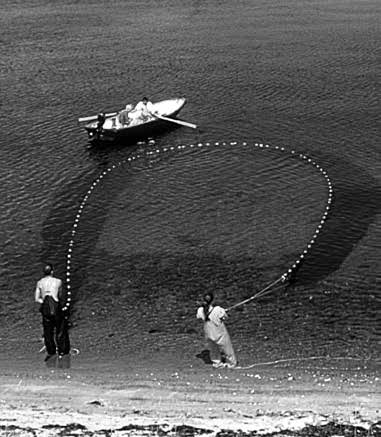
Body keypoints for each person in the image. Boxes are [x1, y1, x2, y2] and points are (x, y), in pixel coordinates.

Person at [35, 263, 70, 360]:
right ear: (52, 271)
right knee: (60, 329)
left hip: (46, 308)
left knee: (47, 331)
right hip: (55, 306)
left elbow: (37, 299)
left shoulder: (39, 283)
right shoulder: (58, 281)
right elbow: (60, 296)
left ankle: (51, 351)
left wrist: (45, 303)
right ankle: (62, 351)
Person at [196, 292, 237, 368]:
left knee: (213, 348)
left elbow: (199, 317)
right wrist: (224, 312)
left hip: (208, 332)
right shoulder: (218, 309)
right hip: (219, 332)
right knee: (227, 348)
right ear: (212, 300)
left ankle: (217, 363)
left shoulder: (200, 310)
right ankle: (231, 363)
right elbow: (225, 317)